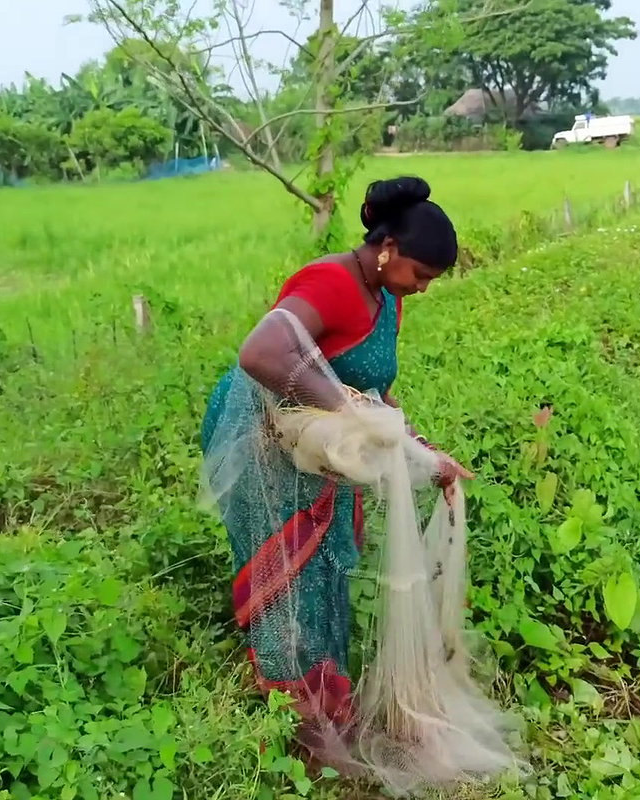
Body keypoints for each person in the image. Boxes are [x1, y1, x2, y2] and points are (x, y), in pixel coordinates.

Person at [198, 175, 474, 762]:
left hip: (320, 442)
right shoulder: (332, 283)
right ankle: (294, 718)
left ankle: (323, 696)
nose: (422, 289)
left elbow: (379, 395)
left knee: (325, 565)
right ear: (388, 249)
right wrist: (346, 407)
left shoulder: (386, 298)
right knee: (290, 569)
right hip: (265, 436)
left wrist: (424, 451)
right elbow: (261, 353)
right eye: (420, 275)